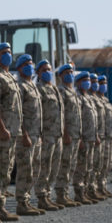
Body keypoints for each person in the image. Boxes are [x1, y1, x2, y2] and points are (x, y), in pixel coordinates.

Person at [0, 43, 21, 222]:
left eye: (9, 52)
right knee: (0, 169)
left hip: (12, 130)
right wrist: (0, 127)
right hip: (4, 131)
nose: (7, 55)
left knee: (6, 170)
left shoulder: (9, 76)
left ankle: (1, 206)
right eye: (3, 53)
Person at [14, 54, 45, 216]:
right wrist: (24, 134)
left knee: (35, 169)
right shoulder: (20, 86)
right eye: (26, 64)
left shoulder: (33, 85)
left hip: (36, 134)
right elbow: (18, 114)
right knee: (25, 169)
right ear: (19, 68)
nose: (30, 66)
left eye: (31, 63)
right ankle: (22, 202)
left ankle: (27, 200)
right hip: (26, 136)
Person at [34, 60, 65, 210]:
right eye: (44, 70)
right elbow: (36, 113)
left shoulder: (54, 89)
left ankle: (48, 195)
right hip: (46, 134)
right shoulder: (38, 89)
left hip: (57, 134)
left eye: (49, 69)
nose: (48, 72)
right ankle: (41, 197)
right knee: (44, 167)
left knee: (54, 168)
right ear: (38, 73)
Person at [53, 64, 82, 207]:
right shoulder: (61, 91)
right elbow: (61, 114)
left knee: (71, 165)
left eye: (71, 72)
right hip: (68, 134)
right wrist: (65, 133)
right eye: (67, 72)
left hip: (76, 134)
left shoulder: (73, 91)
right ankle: (60, 195)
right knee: (64, 165)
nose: (70, 74)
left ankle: (65, 194)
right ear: (60, 75)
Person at [72, 72, 99, 204]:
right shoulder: (78, 97)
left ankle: (87, 192)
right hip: (83, 138)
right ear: (77, 82)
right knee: (81, 167)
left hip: (91, 137)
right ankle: (79, 193)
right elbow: (77, 119)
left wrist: (96, 136)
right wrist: (80, 138)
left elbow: (93, 119)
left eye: (88, 80)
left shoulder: (88, 97)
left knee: (89, 166)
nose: (87, 82)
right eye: (84, 80)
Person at [87, 73, 108, 202]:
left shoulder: (101, 99)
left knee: (101, 164)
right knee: (90, 165)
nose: (96, 84)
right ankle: (90, 190)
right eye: (93, 81)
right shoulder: (88, 98)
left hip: (102, 135)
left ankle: (99, 188)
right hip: (91, 137)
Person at [97, 75, 112, 198]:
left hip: (108, 136)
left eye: (105, 83)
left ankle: (102, 187)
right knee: (97, 164)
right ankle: (94, 189)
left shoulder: (105, 100)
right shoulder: (95, 99)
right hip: (99, 137)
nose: (103, 85)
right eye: (101, 83)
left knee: (107, 164)